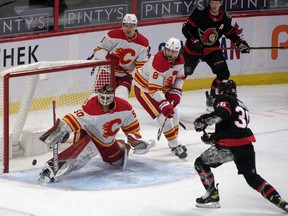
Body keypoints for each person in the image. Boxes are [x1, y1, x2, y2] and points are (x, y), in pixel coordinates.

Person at [192, 79, 288, 212]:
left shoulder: (223, 98)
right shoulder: (242, 105)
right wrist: (213, 138)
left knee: (200, 163)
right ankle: (281, 202)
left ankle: (212, 196)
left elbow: (223, 113)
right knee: (253, 178)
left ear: (221, 91)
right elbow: (234, 127)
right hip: (246, 145)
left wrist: (204, 122)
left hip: (230, 146)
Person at [38, 84, 155, 183]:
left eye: (107, 97)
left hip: (106, 141)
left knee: (117, 162)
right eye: (102, 97)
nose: (104, 101)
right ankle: (50, 170)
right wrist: (61, 131)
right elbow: (73, 118)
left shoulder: (125, 108)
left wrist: (136, 141)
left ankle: (119, 145)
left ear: (113, 97)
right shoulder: (91, 107)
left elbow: (131, 129)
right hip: (89, 135)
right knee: (79, 157)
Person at [182, 0, 250, 109]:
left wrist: (240, 43)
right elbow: (186, 29)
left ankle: (212, 97)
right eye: (212, 3)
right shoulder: (200, 13)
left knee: (223, 73)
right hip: (194, 50)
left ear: (221, 3)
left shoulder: (225, 18)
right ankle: (168, 94)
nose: (214, 5)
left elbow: (231, 33)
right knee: (183, 73)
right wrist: (194, 41)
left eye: (217, 3)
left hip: (211, 50)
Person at [133, 37, 187, 159]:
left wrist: (175, 93)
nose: (170, 53)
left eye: (173, 52)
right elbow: (153, 89)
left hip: (161, 88)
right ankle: (174, 146)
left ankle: (174, 142)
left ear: (178, 52)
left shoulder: (180, 61)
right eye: (168, 50)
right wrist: (164, 103)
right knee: (164, 116)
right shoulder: (159, 62)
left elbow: (179, 78)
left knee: (175, 114)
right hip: (145, 89)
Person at [91, 13, 150, 100]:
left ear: (135, 26)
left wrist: (142, 79)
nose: (128, 29)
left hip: (125, 75)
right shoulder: (113, 35)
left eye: (131, 26)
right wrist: (108, 57)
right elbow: (97, 51)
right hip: (107, 71)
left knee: (122, 98)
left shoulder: (143, 43)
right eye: (126, 26)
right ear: (122, 25)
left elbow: (141, 66)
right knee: (97, 99)